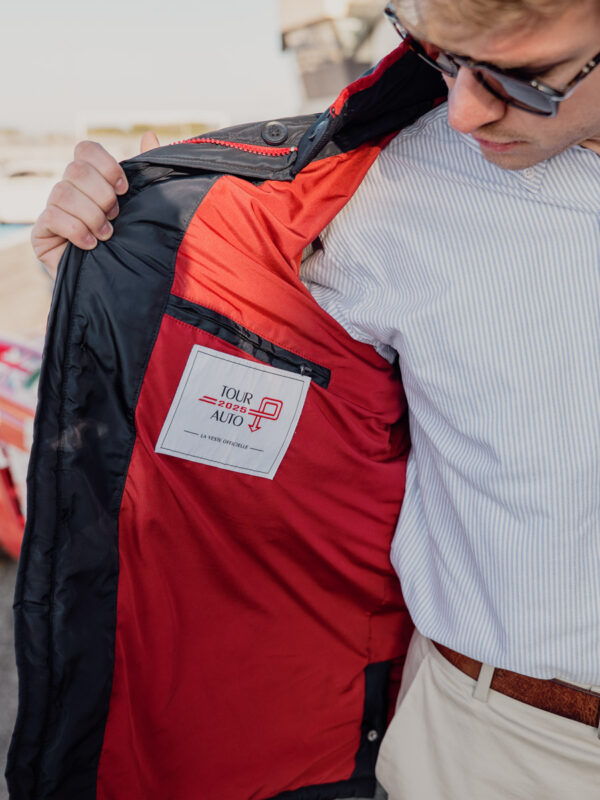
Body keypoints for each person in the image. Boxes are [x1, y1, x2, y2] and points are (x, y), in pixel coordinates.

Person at [29, 0, 600, 797]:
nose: (466, 111)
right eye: (441, 57)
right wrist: (107, 269)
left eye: (522, 77)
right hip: (495, 746)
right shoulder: (387, 186)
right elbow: (207, 322)